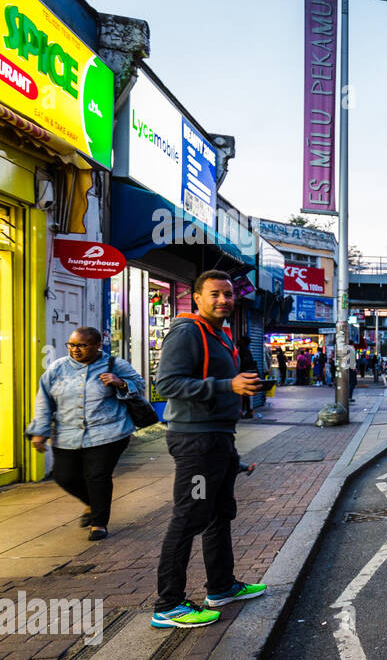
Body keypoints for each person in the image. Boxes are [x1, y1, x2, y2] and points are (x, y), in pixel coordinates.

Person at [151, 270, 266, 629]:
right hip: (196, 442)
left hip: (217, 441)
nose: (224, 300)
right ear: (197, 297)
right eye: (215, 294)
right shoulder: (187, 331)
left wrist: (231, 458)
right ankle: (168, 604)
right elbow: (166, 383)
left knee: (219, 514)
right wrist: (226, 384)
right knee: (189, 517)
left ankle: (221, 586)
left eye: (229, 295)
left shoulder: (219, 335)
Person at [25, 326, 145, 541]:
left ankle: (99, 523)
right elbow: (44, 401)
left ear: (97, 345)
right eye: (71, 345)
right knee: (64, 476)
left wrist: (121, 382)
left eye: (82, 345)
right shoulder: (57, 368)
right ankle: (92, 503)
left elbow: (140, 384)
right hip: (67, 433)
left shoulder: (115, 365)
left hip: (109, 432)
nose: (75, 350)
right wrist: (39, 431)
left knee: (97, 475)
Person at [237, 335, 258, 419]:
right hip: (247, 374)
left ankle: (248, 411)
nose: (238, 341)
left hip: (244, 374)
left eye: (240, 340)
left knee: (245, 394)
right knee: (246, 394)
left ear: (243, 342)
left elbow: (244, 363)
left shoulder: (243, 351)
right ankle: (246, 411)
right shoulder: (247, 351)